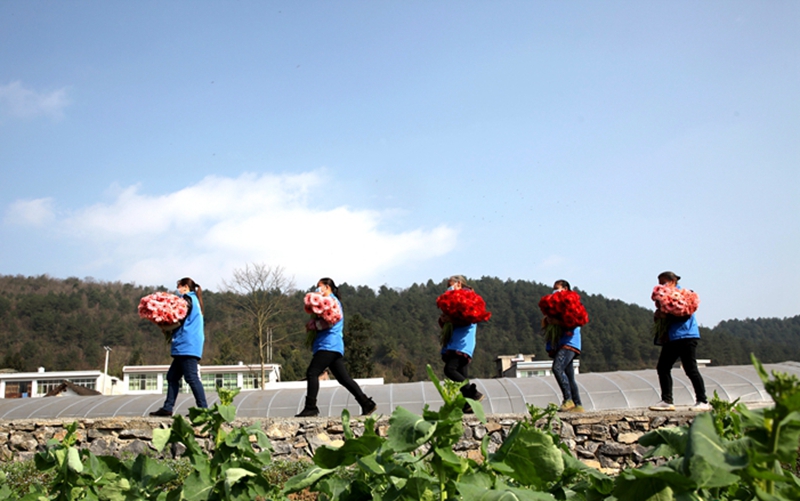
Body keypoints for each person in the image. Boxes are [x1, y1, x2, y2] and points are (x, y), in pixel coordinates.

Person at [296, 277, 377, 417]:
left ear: (327, 287)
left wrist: (313, 325)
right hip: (332, 346)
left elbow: (331, 322)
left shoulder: (332, 303)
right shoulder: (330, 302)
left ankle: (311, 407)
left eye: (319, 286)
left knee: (312, 372)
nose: (317, 290)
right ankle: (366, 403)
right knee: (343, 378)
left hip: (328, 345)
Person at [649, 271, 711, 412]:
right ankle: (667, 400)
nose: (661, 286)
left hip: (686, 336)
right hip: (674, 337)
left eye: (663, 282)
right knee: (663, 367)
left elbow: (683, 315)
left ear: (672, 281)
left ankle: (702, 401)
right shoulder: (667, 297)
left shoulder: (683, 296)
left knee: (690, 369)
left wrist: (666, 314)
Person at [150, 277, 208, 417]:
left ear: (185, 287)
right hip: (189, 344)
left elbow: (178, 320)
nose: (178, 291)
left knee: (191, 377)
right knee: (172, 376)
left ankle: (204, 410)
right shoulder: (196, 301)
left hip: (186, 344)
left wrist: (163, 325)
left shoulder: (187, 299)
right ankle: (168, 407)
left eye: (179, 287)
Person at [440, 275, 484, 412]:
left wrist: (450, 319)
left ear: (458, 284)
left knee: (450, 370)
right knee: (461, 374)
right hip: (456, 342)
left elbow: (466, 319)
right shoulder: (457, 298)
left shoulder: (468, 297)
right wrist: (444, 319)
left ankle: (473, 393)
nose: (449, 288)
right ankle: (469, 403)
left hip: (462, 343)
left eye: (450, 285)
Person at [543, 280, 584, 413]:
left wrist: (557, 321)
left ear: (565, 289)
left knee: (557, 368)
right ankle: (578, 404)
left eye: (558, 289)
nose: (555, 292)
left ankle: (568, 399)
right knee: (569, 375)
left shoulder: (573, 305)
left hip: (569, 343)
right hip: (562, 343)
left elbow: (572, 323)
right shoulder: (558, 306)